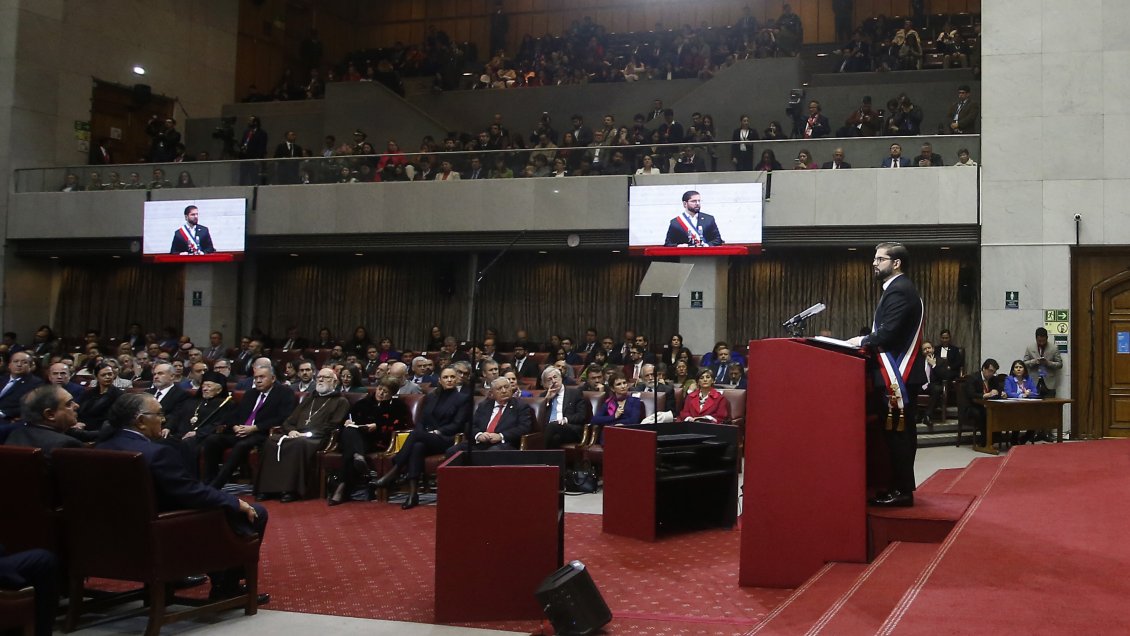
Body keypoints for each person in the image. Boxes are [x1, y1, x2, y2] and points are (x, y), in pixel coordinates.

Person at [99, 393, 269, 603]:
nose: (163, 419)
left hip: (110, 537)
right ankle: (226, 587)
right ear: (141, 421)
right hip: (165, 533)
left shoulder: (99, 447)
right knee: (254, 512)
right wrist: (235, 501)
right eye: (159, 414)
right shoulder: (156, 453)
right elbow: (191, 494)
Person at [847, 242, 925, 508]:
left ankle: (902, 492)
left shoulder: (899, 291)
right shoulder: (898, 289)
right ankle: (899, 488)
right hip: (896, 374)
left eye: (880, 259)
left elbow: (887, 333)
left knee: (899, 436)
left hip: (897, 375)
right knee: (897, 435)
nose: (874, 263)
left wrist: (859, 340)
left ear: (896, 263)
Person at [373, 366, 472, 509]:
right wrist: (424, 433)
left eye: (452, 377)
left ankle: (396, 469)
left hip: (447, 438)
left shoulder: (463, 399)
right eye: (446, 377)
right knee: (417, 446)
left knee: (415, 435)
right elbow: (421, 421)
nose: (449, 380)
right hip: (426, 437)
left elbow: (457, 424)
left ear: (457, 380)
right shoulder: (432, 396)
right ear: (440, 380)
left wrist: (436, 432)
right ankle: (413, 494)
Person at [256, 368, 348, 502]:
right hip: (296, 435)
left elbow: (334, 425)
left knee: (298, 444)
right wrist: (291, 431)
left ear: (334, 381)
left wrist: (306, 434)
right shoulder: (309, 398)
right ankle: (267, 489)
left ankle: (289, 490)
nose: (321, 380)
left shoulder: (341, 401)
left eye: (326, 377)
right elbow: (289, 421)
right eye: (319, 377)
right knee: (271, 441)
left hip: (318, 438)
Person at [203, 359, 297, 489]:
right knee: (212, 440)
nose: (258, 380)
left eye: (262, 377)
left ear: (273, 378)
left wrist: (254, 428)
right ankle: (208, 480)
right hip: (240, 431)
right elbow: (233, 415)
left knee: (242, 445)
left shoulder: (284, 393)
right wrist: (235, 426)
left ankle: (217, 484)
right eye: (256, 378)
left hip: (262, 434)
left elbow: (283, 418)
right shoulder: (250, 394)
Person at [329, 378, 411, 505]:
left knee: (349, 452)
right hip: (358, 437)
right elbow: (347, 419)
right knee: (349, 431)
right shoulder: (363, 403)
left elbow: (400, 425)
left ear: (392, 394)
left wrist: (377, 425)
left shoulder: (397, 406)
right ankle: (358, 457)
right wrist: (348, 422)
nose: (381, 393)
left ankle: (341, 488)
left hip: (378, 440)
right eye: (380, 389)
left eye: (386, 392)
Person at [177, 371, 235, 478]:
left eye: (209, 386)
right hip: (184, 434)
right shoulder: (192, 402)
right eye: (203, 385)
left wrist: (197, 433)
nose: (204, 388)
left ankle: (190, 479)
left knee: (188, 443)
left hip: (204, 436)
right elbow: (181, 418)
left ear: (219, 390)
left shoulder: (225, 404)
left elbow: (220, 424)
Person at [4, 384, 82, 457]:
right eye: (68, 404)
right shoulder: (66, 445)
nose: (76, 406)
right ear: (50, 415)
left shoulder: (15, 435)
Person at [73, 361, 123, 441]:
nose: (107, 377)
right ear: (97, 377)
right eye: (103, 375)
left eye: (110, 374)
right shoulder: (88, 393)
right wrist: (76, 423)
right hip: (81, 426)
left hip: (101, 430)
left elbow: (111, 419)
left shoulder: (119, 395)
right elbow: (78, 409)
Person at [541, 366, 588, 450]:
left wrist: (565, 419)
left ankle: (538, 459)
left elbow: (582, 416)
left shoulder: (575, 393)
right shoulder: (543, 396)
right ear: (545, 384)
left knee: (553, 425)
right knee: (555, 438)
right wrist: (547, 401)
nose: (554, 381)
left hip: (570, 428)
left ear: (561, 378)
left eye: (555, 377)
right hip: (552, 431)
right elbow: (539, 419)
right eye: (549, 379)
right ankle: (552, 462)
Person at [963, 358, 1002, 444]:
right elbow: (971, 394)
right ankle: (985, 439)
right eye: (990, 371)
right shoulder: (973, 378)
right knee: (982, 413)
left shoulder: (994, 379)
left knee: (998, 412)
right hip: (973, 406)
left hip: (988, 406)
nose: (992, 374)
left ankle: (995, 436)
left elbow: (998, 390)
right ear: (984, 368)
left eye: (994, 372)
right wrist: (985, 395)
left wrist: (1000, 393)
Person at [0, 351, 43, 423]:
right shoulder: (2, 378)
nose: (19, 364)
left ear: (31, 366)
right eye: (16, 361)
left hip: (9, 419)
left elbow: (30, 406)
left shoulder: (36, 383)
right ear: (9, 365)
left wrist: (4, 413)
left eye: (24, 362)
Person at [1024, 327, 1063, 397]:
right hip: (1034, 382)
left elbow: (1060, 364)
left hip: (1049, 383)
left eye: (1043, 341)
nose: (1041, 343)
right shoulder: (1030, 348)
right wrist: (1034, 361)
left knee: (1050, 406)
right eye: (1039, 341)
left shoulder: (1054, 348)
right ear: (1036, 338)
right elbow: (1024, 363)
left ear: (1047, 338)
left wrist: (1048, 363)